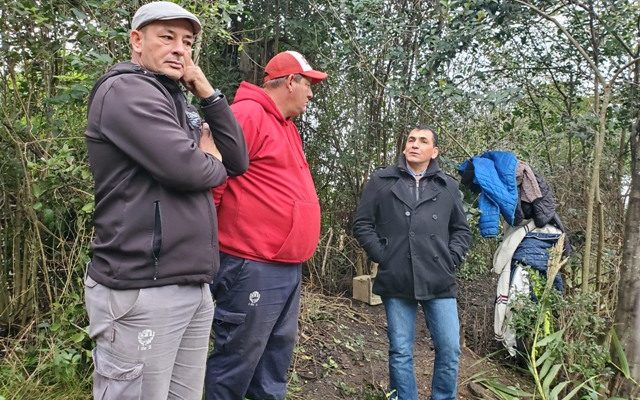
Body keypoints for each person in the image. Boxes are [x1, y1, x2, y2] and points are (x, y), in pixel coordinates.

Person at [83, 2, 248, 399]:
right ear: (137, 40)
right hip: (142, 286)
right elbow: (190, 172)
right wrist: (209, 158)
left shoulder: (178, 100)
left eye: (187, 42)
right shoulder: (126, 91)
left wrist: (206, 91)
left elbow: (238, 159)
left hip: (189, 284)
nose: (180, 49)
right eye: (167, 37)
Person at [204, 50, 327, 400]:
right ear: (290, 81)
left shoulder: (287, 127)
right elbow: (213, 182)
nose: (311, 93)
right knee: (237, 362)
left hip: (285, 267)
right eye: (308, 84)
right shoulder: (246, 115)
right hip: (251, 264)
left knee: (273, 363)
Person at [353, 126, 471, 400]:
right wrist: (383, 255)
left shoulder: (447, 186)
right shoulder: (381, 180)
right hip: (397, 276)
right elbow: (363, 224)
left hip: (439, 277)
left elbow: (461, 230)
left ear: (435, 151)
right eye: (411, 139)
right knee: (401, 350)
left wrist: (450, 258)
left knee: (450, 349)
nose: (415, 144)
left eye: (423, 141)